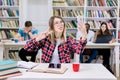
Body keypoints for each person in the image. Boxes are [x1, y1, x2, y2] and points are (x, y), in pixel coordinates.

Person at [22, 16, 87, 63]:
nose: (60, 24)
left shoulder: (68, 40)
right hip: (47, 71)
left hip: (63, 71)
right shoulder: (46, 39)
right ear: (52, 27)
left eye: (61, 22)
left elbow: (79, 50)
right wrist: (38, 38)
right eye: (56, 23)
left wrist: (84, 35)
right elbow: (27, 48)